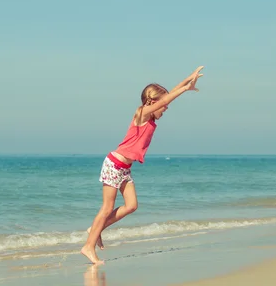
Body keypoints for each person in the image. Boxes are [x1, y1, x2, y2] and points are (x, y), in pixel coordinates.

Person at [81, 66, 204, 264]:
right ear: (152, 102)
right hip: (114, 164)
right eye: (163, 105)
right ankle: (88, 246)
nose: (166, 107)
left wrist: (187, 81)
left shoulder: (151, 117)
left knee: (132, 205)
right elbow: (165, 99)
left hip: (124, 168)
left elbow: (166, 96)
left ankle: (96, 229)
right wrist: (184, 89)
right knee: (107, 208)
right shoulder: (142, 114)